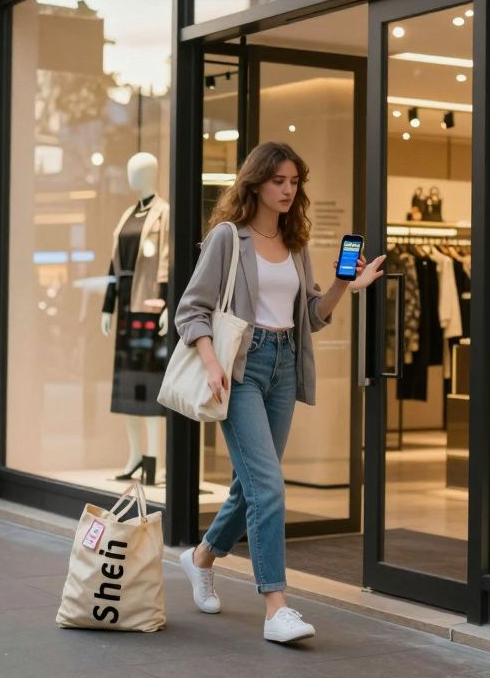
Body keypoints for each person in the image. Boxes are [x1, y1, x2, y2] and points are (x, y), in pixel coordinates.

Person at [173, 142, 384, 644]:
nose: (288, 190)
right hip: (240, 366)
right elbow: (191, 309)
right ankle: (276, 607)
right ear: (256, 183)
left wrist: (342, 285)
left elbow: (310, 315)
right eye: (279, 181)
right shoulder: (228, 237)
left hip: (284, 365)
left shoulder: (296, 241)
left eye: (294, 182)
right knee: (268, 486)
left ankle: (201, 557)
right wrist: (210, 361)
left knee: (251, 485)